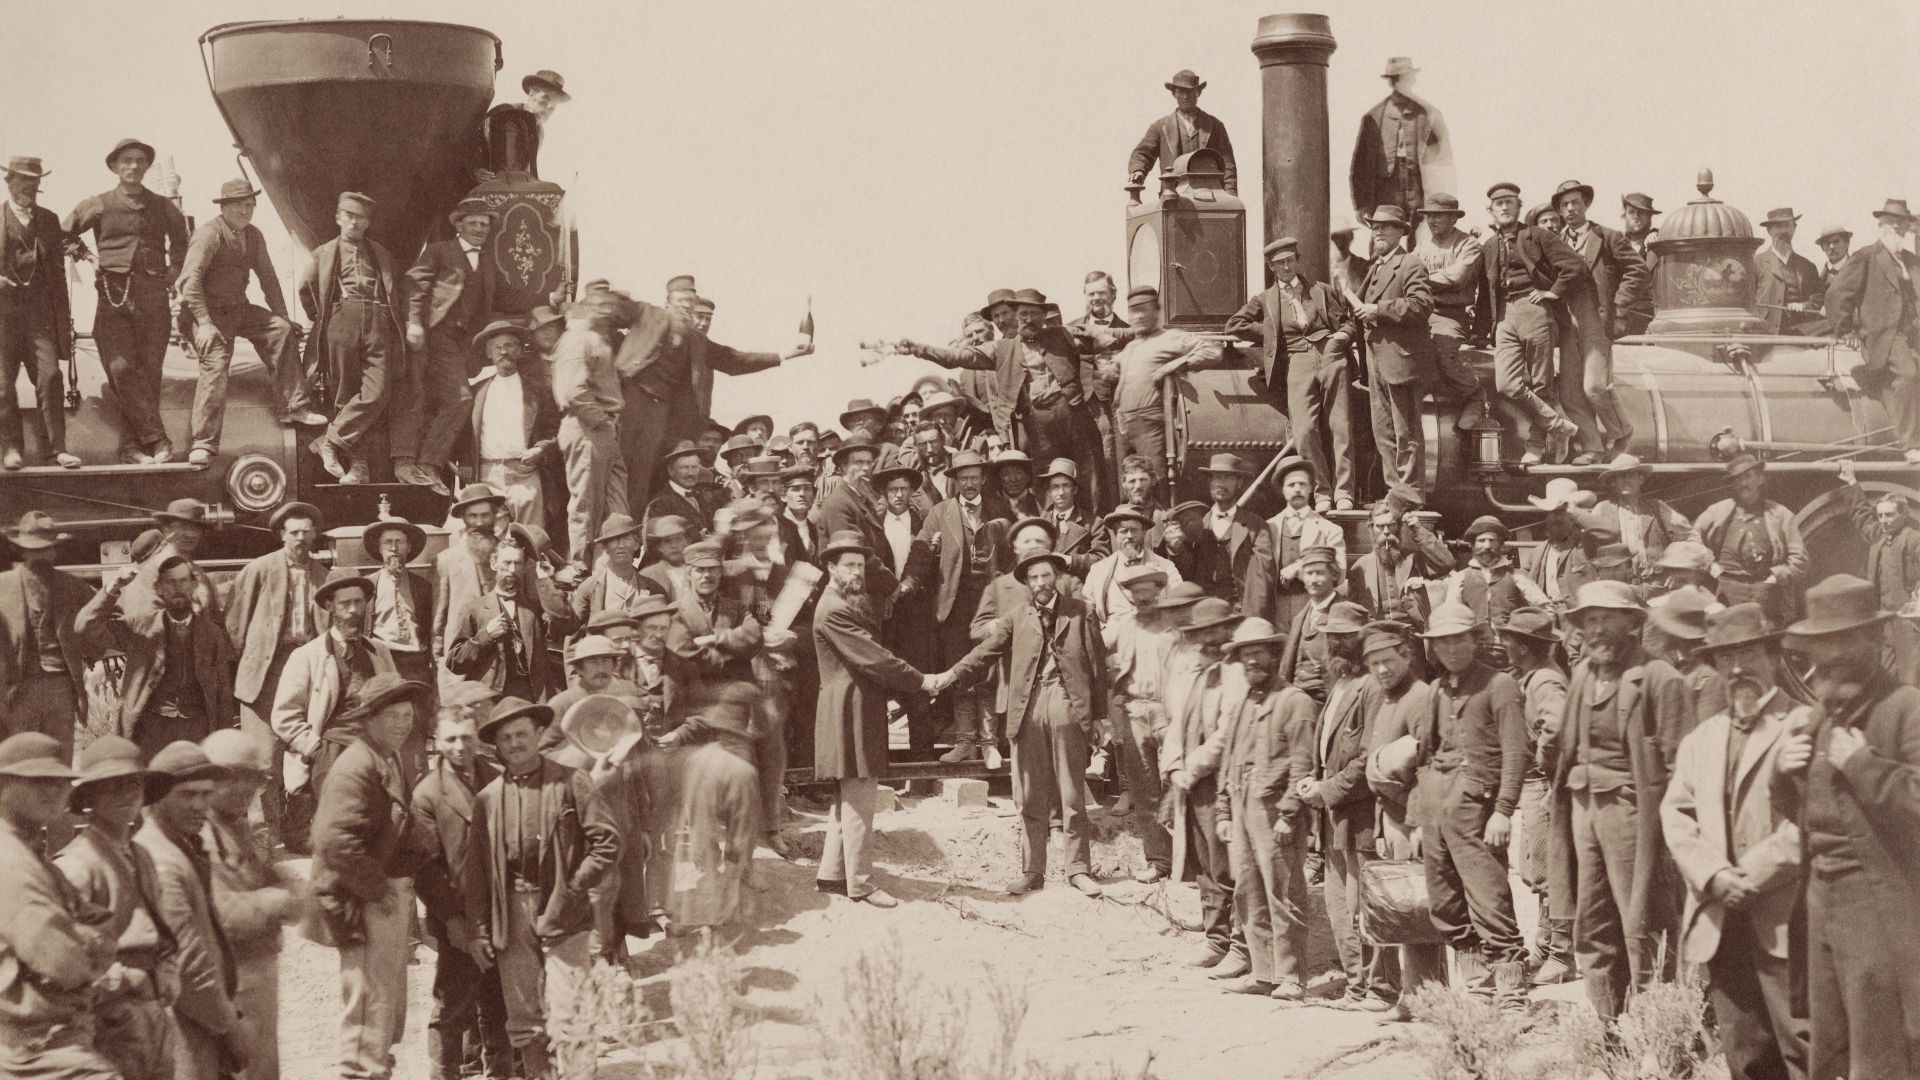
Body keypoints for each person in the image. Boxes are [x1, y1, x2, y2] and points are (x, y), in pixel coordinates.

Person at [1776, 573, 1920, 1080]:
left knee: (1883, 1055)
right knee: (1833, 1049)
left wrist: (1862, 765)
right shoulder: (1818, 716)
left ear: (1873, 639)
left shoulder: (1906, 708)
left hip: (1884, 911)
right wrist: (1786, 774)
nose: (1830, 655)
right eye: (1822, 644)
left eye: (1843, 640)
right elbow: (1811, 814)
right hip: (1823, 907)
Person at [1660, 603, 1810, 1080]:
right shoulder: (1701, 739)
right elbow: (1677, 814)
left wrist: (1756, 874)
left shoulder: (1805, 724)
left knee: (1805, 1047)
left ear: (1772, 654)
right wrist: (1715, 874)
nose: (1738, 668)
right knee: (1745, 1053)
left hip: (1789, 918)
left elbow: (1819, 818)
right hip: (1720, 919)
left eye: (1748, 653)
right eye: (1726, 658)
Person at [1547, 581, 1692, 1025]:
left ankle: (1660, 1029)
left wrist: (1672, 838)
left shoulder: (1659, 677)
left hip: (1634, 814)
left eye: (1607, 617)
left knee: (1642, 922)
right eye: (1589, 619)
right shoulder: (1584, 675)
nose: (1596, 628)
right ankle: (1607, 1026)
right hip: (1582, 810)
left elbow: (1680, 764)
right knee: (1590, 923)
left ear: (1633, 623)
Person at [464, 697, 618, 1079]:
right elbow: (477, 874)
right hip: (511, 912)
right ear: (496, 746)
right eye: (506, 738)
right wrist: (480, 929)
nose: (515, 743)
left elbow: (607, 843)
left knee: (571, 1014)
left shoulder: (571, 782)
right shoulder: (487, 800)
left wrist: (574, 887)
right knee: (525, 1020)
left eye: (521, 734)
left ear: (538, 734)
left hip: (564, 909)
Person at [949, 551, 1109, 898]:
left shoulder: (1080, 612)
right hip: (1027, 708)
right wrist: (951, 675)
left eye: (1046, 576)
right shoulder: (1016, 617)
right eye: (1033, 578)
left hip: (1068, 704)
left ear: (1057, 578)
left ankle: (1078, 868)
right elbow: (985, 653)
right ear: (1027, 583)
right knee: (1029, 794)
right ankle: (1032, 871)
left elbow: (1097, 666)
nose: (1040, 584)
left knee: (1071, 793)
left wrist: (1099, 717)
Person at [310, 674, 430, 1080]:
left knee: (383, 1010)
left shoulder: (386, 756)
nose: (402, 723)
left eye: (407, 715)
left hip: (376, 894)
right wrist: (377, 890)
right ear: (370, 719)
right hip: (357, 900)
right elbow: (334, 840)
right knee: (366, 1012)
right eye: (392, 715)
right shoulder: (356, 764)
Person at [610, 273, 811, 512]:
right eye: (681, 300)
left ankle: (640, 533)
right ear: (667, 301)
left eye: (690, 300)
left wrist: (784, 355)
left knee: (649, 479)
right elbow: (608, 310)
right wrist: (567, 305)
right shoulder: (649, 314)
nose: (686, 305)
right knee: (622, 468)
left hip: (664, 420)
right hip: (633, 401)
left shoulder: (697, 340)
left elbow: (733, 359)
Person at [813, 530, 939, 909]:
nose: (856, 572)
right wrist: (921, 680)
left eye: (859, 565)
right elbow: (875, 658)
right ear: (831, 567)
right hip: (847, 711)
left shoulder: (840, 601)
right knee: (860, 798)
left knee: (848, 797)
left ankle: (832, 874)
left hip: (853, 707)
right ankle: (862, 884)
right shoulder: (834, 609)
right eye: (847, 565)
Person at [1414, 602, 1530, 1012]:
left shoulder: (1500, 686)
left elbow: (1516, 754)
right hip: (1437, 808)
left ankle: (1512, 991)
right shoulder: (1436, 690)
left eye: (1458, 639)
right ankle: (1478, 986)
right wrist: (1421, 814)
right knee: (1444, 901)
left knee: (1489, 898)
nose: (1450, 648)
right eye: (1442, 642)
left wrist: (1503, 809)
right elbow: (1426, 754)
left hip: (1478, 810)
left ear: (1475, 640)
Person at [891, 290, 1108, 506]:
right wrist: (919, 349)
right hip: (1038, 430)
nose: (1026, 320)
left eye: (1032, 314)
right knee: (1046, 483)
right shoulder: (1001, 349)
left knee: (1090, 481)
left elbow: (1111, 338)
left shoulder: (1062, 335)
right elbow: (957, 357)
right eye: (1022, 316)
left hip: (1075, 421)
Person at [54, 736, 179, 1080]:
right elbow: (65, 962)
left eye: (134, 784)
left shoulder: (141, 856)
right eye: (114, 786)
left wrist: (168, 972)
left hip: (153, 1010)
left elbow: (164, 928)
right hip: (108, 1020)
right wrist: (123, 980)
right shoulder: (77, 866)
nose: (128, 794)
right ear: (90, 797)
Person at [0, 732, 120, 1080]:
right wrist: (90, 942)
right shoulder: (10, 860)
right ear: (4, 786)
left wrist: (88, 937)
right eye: (39, 780)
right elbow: (62, 960)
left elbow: (99, 923)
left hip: (51, 1033)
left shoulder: (28, 850)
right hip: (32, 1048)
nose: (54, 790)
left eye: (60, 781)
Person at [63, 137, 189, 464]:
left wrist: (173, 273)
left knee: (149, 373)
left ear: (146, 166)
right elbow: (62, 233)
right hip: (112, 296)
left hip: (153, 298)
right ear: (115, 166)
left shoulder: (163, 206)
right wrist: (87, 256)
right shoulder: (99, 203)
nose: (133, 166)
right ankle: (158, 439)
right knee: (120, 368)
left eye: (139, 161)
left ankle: (131, 449)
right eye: (126, 161)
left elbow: (181, 243)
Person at [1208, 617, 1315, 1000]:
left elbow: (1303, 765)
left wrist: (1290, 813)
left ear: (1273, 654)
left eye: (1258, 653)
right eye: (1245, 656)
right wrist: (1223, 811)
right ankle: (1263, 970)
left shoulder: (1295, 702)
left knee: (1283, 892)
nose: (1252, 661)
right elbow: (1228, 761)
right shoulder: (1241, 705)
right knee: (1247, 892)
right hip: (1241, 808)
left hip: (1275, 813)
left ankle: (1291, 976)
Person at [1295, 601, 1394, 1010]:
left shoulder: (1371, 686)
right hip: (1335, 815)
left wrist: (1328, 789)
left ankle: (1381, 987)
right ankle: (1358, 985)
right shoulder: (1338, 683)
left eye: (1345, 637)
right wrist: (1314, 781)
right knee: (1339, 905)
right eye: (1331, 636)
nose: (1335, 643)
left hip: (1363, 813)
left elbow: (1370, 755)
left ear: (1363, 639)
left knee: (1365, 903)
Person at [179, 178, 318, 466]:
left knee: (280, 330)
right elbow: (189, 281)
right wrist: (204, 323)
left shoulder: (253, 235)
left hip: (237, 309)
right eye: (239, 205)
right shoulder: (209, 235)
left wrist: (281, 315)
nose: (245, 211)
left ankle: (293, 406)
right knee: (216, 366)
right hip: (204, 313)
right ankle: (203, 443)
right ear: (225, 207)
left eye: (250, 205)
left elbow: (268, 278)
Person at [136, 740, 243, 1079]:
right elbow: (188, 964)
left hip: (197, 1025)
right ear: (158, 797)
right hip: (184, 1031)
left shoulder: (180, 847)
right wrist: (231, 1029)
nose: (200, 805)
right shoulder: (162, 861)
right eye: (187, 794)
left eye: (206, 794)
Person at [1225, 239, 1360, 506]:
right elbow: (1234, 324)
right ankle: (1322, 492)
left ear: (1297, 261)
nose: (1286, 267)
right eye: (1279, 263)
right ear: (1271, 267)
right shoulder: (1265, 299)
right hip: (1296, 361)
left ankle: (1344, 492)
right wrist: (1269, 333)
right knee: (1305, 430)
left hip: (1330, 354)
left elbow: (1347, 322)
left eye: (1290, 261)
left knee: (1340, 426)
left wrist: (1341, 337)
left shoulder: (1320, 290)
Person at [1357, 627, 1447, 1021]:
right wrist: (1381, 827)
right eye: (1374, 664)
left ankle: (1428, 999)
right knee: (1406, 911)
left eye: (1388, 661)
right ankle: (1415, 997)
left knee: (1420, 910)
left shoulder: (1421, 698)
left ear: (1408, 657)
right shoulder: (1385, 699)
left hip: (1414, 818)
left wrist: (1418, 824)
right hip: (1391, 817)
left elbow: (1427, 767)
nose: (1381, 670)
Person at [199, 729, 300, 1080]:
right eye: (235, 778)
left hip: (258, 968)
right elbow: (223, 913)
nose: (246, 788)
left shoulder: (241, 826)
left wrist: (283, 897)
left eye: (253, 779)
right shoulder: (199, 835)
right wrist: (277, 901)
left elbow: (290, 892)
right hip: (228, 977)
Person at [225, 501, 328, 842]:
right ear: (282, 535)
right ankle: (264, 833)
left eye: (306, 531)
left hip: (306, 670)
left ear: (314, 534)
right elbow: (236, 625)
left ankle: (298, 830)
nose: (300, 538)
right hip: (266, 672)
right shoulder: (259, 569)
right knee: (264, 759)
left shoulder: (322, 575)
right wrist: (244, 669)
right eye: (293, 532)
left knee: (304, 753)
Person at [1159, 597, 1249, 978]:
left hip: (1224, 782)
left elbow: (1227, 734)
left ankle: (1242, 947)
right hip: (1193, 784)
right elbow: (1177, 726)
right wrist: (1174, 766)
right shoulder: (1198, 674)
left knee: (1229, 863)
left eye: (1215, 632)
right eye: (1202, 635)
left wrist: (1193, 768)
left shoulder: (1237, 674)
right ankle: (1216, 938)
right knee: (1203, 862)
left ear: (1228, 631)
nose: (1209, 640)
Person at [77, 555, 236, 756]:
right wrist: (113, 587)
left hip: (198, 729)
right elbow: (84, 627)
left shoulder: (212, 634)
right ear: (158, 589)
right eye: (170, 582)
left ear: (194, 585)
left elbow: (223, 693)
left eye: (183, 581)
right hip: (151, 728)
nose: (177, 588)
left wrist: (224, 742)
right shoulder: (141, 627)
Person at [1473, 182, 1585, 465]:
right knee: (1507, 384)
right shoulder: (1488, 246)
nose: (1505, 207)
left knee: (1540, 384)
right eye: (1499, 204)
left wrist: (1552, 292)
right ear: (1491, 210)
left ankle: (1536, 446)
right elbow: (1486, 293)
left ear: (1519, 207)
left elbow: (1574, 266)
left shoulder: (1537, 235)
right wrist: (1479, 331)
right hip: (1504, 316)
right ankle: (1559, 427)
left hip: (1535, 309)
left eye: (1510, 202)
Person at [1495, 609, 1574, 986]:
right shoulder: (1531, 676)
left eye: (1509, 639)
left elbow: (1556, 725)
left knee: (1551, 871)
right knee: (1538, 868)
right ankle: (1545, 945)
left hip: (1542, 785)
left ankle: (1563, 952)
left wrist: (1544, 762)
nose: (1503, 644)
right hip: (1536, 784)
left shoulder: (1544, 680)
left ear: (1524, 646)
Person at [916, 450, 1011, 763]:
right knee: (960, 673)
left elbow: (1012, 554)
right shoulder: (940, 512)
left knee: (988, 672)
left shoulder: (999, 509)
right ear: (954, 481)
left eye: (974, 477)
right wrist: (931, 552)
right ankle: (966, 741)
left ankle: (989, 743)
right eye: (963, 478)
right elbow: (921, 554)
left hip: (989, 605)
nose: (970, 483)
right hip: (954, 607)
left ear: (983, 479)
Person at [270, 575, 400, 804]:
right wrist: (315, 748)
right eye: (345, 603)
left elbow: (396, 700)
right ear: (330, 606)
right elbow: (283, 715)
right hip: (330, 754)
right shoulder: (307, 656)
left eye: (358, 602)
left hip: (375, 750)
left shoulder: (379, 651)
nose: (353, 610)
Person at [1551, 180, 1645, 461]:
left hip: (1596, 318)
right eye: (1564, 204)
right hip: (1568, 322)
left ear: (1586, 204)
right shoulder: (1554, 241)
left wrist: (1619, 306)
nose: (1570, 209)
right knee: (1569, 393)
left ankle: (1622, 433)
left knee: (1594, 386)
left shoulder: (1607, 237)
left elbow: (1638, 271)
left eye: (1575, 203)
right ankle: (1592, 446)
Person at [1826, 198, 1920, 464]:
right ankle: (1911, 444)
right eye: (1892, 223)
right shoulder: (1867, 257)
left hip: (1912, 333)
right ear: (1882, 226)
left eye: (1901, 224)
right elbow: (1836, 294)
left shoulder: (1912, 261)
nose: (1897, 228)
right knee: (1908, 375)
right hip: (1884, 335)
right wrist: (1845, 331)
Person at [0, 155, 76, 469]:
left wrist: (64, 326)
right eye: (22, 180)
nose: (28, 187)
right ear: (9, 182)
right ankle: (12, 449)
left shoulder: (49, 220)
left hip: (39, 319)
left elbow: (58, 276)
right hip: (2, 319)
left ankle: (56, 450)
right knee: (2, 385)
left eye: (34, 181)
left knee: (51, 377)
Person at [667, 682, 762, 932]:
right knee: (736, 839)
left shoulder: (700, 757)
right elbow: (741, 833)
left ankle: (697, 912)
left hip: (706, 761)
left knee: (704, 841)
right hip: (730, 768)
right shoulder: (743, 770)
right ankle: (724, 906)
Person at [1354, 205, 1435, 499]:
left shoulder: (1410, 264)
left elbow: (1421, 305)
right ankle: (1395, 493)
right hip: (1376, 360)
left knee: (1406, 433)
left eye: (1386, 226)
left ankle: (1412, 494)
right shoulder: (1376, 266)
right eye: (1375, 226)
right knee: (1384, 432)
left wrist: (1378, 310)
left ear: (1402, 232)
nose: (1378, 231)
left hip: (1402, 361)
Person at [0, 512, 92, 757]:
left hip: (60, 687)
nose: (40, 555)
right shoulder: (3, 587)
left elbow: (103, 617)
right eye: (34, 549)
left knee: (59, 758)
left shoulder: (73, 587)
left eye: (46, 549)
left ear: (55, 550)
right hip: (16, 688)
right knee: (17, 760)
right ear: (21, 551)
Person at [552, 290, 632, 565]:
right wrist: (602, 420)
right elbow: (574, 391)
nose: (609, 311)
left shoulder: (598, 339)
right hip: (587, 427)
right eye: (602, 306)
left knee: (616, 507)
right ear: (588, 308)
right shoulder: (578, 339)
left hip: (604, 429)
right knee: (586, 505)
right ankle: (580, 568)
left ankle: (610, 569)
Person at [1109, 285, 1222, 472]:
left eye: (1143, 310)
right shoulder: (1130, 347)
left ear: (1156, 311)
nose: (1137, 317)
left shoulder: (1170, 337)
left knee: (1156, 481)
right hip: (1122, 427)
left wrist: (1175, 365)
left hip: (1149, 424)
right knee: (1126, 489)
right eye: (1133, 311)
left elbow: (1213, 351)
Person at [448, 538, 577, 700]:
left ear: (524, 568)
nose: (512, 569)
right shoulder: (475, 609)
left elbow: (568, 624)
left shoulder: (535, 608)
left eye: (518, 563)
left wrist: (546, 580)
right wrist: (485, 635)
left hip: (532, 697)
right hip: (492, 698)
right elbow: (455, 663)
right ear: (494, 563)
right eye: (507, 562)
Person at [1694, 454, 1808, 628]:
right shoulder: (1717, 511)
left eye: (1748, 476)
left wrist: (1776, 577)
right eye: (1737, 479)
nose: (1743, 484)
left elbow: (1800, 560)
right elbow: (1690, 538)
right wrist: (1709, 564)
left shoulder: (1780, 514)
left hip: (1766, 593)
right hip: (1726, 592)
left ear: (1760, 478)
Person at [470, 321, 559, 529]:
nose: (503, 351)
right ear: (489, 354)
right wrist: (465, 462)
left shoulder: (538, 391)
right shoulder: (477, 392)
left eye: (509, 346)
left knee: (532, 537)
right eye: (497, 347)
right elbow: (465, 433)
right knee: (491, 537)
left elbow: (555, 428)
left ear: (519, 351)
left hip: (525, 472)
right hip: (488, 473)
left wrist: (541, 448)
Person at [1838, 458, 1920, 682]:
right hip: (1884, 622)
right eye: (1881, 515)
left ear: (1903, 515)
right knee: (1887, 676)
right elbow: (1863, 516)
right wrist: (1851, 483)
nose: (1883, 520)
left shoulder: (1913, 539)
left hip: (1908, 623)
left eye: (1889, 515)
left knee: (1911, 678)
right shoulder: (1880, 538)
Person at [1243, 457, 1347, 630]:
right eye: (1291, 485)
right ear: (1282, 490)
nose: (1297, 489)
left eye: (1302, 484)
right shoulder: (1268, 527)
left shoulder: (1330, 529)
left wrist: (1299, 569)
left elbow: (1340, 573)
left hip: (1312, 604)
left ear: (1311, 488)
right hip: (1277, 606)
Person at [1444, 516, 1550, 665]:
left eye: (1492, 540)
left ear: (1501, 545)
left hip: (1512, 659)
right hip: (1474, 658)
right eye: (1481, 541)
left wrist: (1529, 638)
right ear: (1472, 546)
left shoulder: (1517, 576)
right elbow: (1451, 616)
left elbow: (1546, 610)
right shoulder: (1461, 578)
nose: (1487, 546)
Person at [1346, 498, 1453, 633]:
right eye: (1380, 526)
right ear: (1371, 529)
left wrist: (1417, 529)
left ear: (1399, 527)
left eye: (1391, 525)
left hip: (1410, 635)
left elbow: (1447, 563)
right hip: (1376, 636)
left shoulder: (1413, 560)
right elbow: (1352, 614)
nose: (1386, 531)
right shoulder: (1360, 568)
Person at [1590, 453, 1697, 579]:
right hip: (1619, 584)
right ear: (1613, 482)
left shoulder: (1657, 507)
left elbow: (1690, 537)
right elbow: (1587, 547)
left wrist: (1679, 571)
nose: (1626, 481)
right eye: (1620, 477)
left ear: (1640, 479)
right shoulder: (1602, 509)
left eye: (1631, 475)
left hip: (1654, 585)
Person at [1128, 69, 1236, 194]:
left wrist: (1230, 196)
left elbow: (1228, 165)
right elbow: (1143, 153)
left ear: (1198, 92)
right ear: (1174, 94)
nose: (1186, 96)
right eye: (1181, 91)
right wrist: (1138, 170)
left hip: (1211, 198)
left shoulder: (1215, 126)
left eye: (1190, 91)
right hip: (1174, 199)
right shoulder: (1159, 127)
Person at [433, 483, 508, 656]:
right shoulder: (447, 560)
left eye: (485, 515)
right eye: (473, 516)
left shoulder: (509, 556)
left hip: (502, 657)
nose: (479, 522)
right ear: (464, 518)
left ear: (495, 515)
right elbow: (438, 621)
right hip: (462, 658)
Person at [1082, 503, 1181, 632]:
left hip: (1155, 639)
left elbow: (1179, 604)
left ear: (1144, 532)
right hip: (1113, 643)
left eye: (1134, 530)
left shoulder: (1165, 567)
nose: (1129, 536)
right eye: (1123, 531)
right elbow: (1088, 612)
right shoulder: (1099, 570)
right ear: (1116, 534)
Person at [1068, 271, 1130, 468]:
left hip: (1114, 408)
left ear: (1113, 294)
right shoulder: (1071, 329)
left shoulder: (1128, 331)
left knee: (1112, 461)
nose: (1096, 299)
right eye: (1091, 294)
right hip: (1079, 408)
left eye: (1101, 293)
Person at [1752, 206, 1825, 336]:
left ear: (1794, 228)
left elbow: (1819, 300)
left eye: (1787, 225)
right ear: (1769, 231)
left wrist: (1804, 305)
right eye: (1778, 226)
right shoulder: (1756, 263)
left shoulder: (1808, 266)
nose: (1783, 231)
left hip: (1801, 336)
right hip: (1765, 335)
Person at [1619, 192, 1662, 335]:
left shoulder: (1657, 242)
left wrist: (1657, 235)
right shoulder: (1616, 245)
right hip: (1621, 317)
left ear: (1650, 217)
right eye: (1631, 212)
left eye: (1641, 213)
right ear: (1624, 215)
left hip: (1650, 317)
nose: (1636, 217)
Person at [638, 515, 694, 599]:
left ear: (688, 541)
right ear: (660, 547)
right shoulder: (648, 576)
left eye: (678, 539)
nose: (674, 545)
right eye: (667, 541)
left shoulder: (700, 569)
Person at [1815, 224, 1852, 291]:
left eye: (1836, 242)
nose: (1831, 246)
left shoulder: (1858, 269)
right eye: (1827, 243)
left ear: (1847, 243)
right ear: (1822, 247)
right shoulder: (1818, 276)